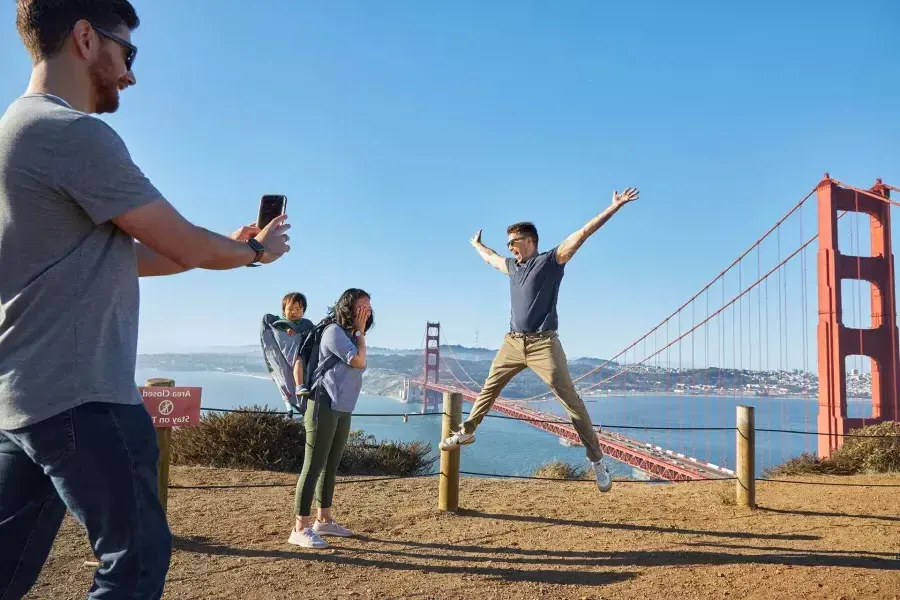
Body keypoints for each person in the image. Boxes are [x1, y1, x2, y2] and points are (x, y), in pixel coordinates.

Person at [0, 2, 290, 599]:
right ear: (85, 37)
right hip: (85, 397)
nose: (131, 73)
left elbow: (140, 254)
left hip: (22, 399)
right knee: (133, 563)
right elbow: (177, 238)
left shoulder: (14, 136)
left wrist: (225, 249)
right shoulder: (71, 134)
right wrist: (256, 255)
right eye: (127, 53)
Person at [439, 187, 640, 492]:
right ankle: (467, 431)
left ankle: (597, 461)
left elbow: (582, 233)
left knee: (571, 403)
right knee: (488, 388)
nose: (510, 248)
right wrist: (477, 245)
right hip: (512, 342)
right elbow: (491, 258)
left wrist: (614, 207)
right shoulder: (512, 267)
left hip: (544, 344)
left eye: (514, 242)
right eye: (508, 243)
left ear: (530, 241)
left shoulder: (551, 261)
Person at [289, 289, 373, 549]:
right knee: (313, 465)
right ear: (348, 308)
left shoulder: (350, 334)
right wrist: (360, 332)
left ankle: (323, 519)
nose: (366, 311)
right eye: (361, 306)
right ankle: (299, 528)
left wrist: (359, 332)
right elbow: (359, 361)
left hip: (342, 406)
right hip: (322, 404)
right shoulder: (335, 332)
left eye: (369, 306)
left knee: (331, 464)